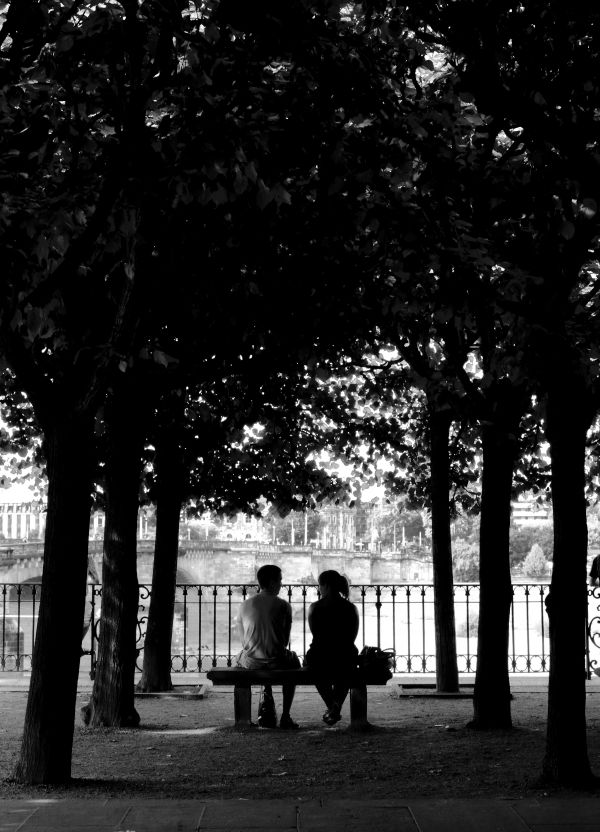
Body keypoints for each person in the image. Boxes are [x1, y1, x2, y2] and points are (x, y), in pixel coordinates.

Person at [235, 564, 300, 729]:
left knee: (239, 657)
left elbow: (244, 642)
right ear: (272, 583)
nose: (281, 584)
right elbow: (284, 641)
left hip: (252, 663)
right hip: (277, 661)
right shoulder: (284, 606)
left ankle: (248, 712)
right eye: (279, 580)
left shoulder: (244, 605)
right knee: (294, 661)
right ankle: (286, 716)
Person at [304, 570, 359, 726]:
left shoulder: (315, 607)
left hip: (320, 655)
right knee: (347, 667)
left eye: (320, 585)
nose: (319, 589)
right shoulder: (350, 607)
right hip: (345, 655)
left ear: (326, 586)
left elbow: (316, 634)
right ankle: (335, 706)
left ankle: (332, 706)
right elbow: (352, 637)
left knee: (314, 668)